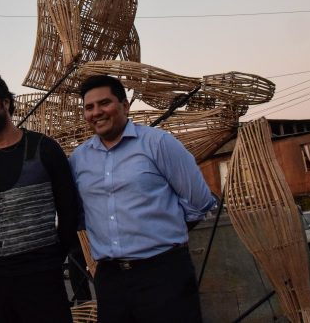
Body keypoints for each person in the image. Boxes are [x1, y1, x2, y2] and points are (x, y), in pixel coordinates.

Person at [69, 75, 215, 323]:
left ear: (125, 106)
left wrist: (162, 232)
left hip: (163, 273)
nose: (96, 112)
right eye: (89, 107)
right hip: (110, 279)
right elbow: (80, 211)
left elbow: (199, 201)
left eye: (104, 103)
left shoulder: (158, 143)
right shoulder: (79, 159)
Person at [0, 72, 77, 323]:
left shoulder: (45, 148)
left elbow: (69, 210)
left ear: (5, 102)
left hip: (41, 279)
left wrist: (52, 260)